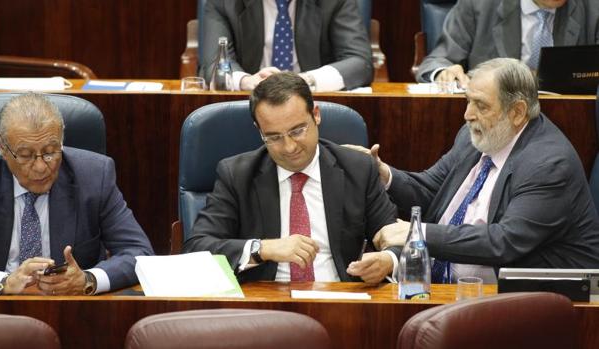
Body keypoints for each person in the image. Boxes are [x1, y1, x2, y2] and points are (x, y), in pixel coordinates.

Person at [351, 58, 599, 284]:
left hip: (538, 299)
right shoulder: (477, 136)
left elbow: (504, 241)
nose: (468, 115)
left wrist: (418, 233)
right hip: (448, 287)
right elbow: (430, 189)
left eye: (481, 105)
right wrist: (383, 174)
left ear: (517, 112)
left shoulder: (549, 163)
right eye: (468, 101)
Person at [183, 72, 397, 284]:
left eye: (297, 131)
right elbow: (197, 247)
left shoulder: (358, 168)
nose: (289, 147)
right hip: (266, 303)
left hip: (340, 298)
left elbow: (394, 235)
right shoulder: (237, 175)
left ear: (316, 115)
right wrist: (263, 248)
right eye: (274, 137)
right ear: (259, 131)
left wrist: (388, 260)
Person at [0, 93, 154, 296]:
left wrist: (88, 279)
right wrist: (3, 283)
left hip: (72, 309)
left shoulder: (95, 175)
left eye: (50, 152)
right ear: (2, 147)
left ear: (62, 141)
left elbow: (139, 252)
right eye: (25, 155)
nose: (40, 167)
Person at [199, 0, 373, 91]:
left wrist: (304, 82)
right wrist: (247, 82)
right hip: (247, 103)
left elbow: (359, 63)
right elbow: (214, 63)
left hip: (315, 105)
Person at [416, 0, 599, 84]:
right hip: (495, 119)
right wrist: (444, 73)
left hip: (569, 119)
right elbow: (437, 61)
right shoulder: (478, 4)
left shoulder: (592, 8)